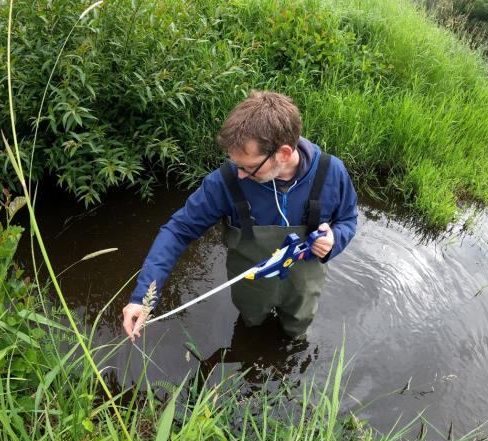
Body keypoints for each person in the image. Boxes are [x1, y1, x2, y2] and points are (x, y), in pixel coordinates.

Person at [123, 91, 357, 341]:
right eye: (236, 164)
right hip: (251, 285)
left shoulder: (331, 172)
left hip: (303, 286)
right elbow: (178, 231)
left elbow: (348, 220)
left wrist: (335, 239)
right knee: (250, 329)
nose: (241, 175)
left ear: (284, 153)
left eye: (248, 167)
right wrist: (142, 298)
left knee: (296, 334)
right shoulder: (224, 182)